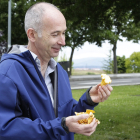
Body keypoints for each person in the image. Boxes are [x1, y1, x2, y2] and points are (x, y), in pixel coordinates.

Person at [0, 2, 113, 140]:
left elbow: (65, 117)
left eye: (64, 33)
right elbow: (5, 129)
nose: (63, 41)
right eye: (55, 34)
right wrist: (61, 126)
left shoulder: (60, 72)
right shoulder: (7, 72)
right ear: (32, 35)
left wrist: (88, 101)